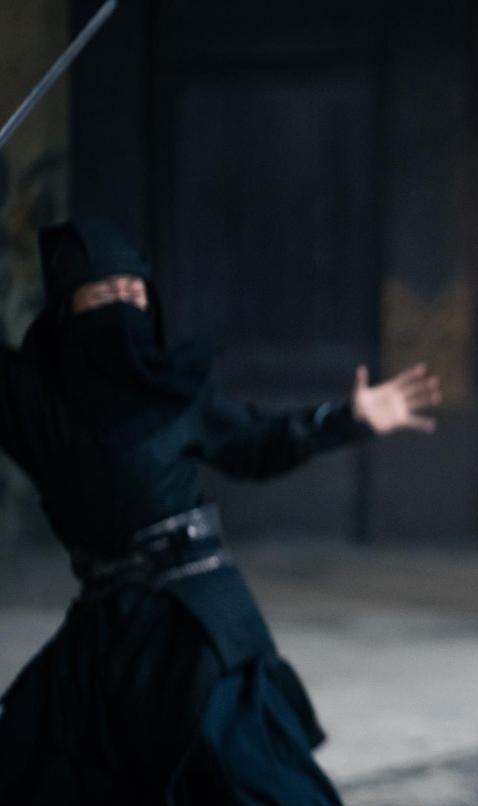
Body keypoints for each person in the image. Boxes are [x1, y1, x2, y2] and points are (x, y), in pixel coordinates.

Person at [0, 218, 443, 804]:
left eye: (135, 292)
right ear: (68, 310)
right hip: (106, 629)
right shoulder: (34, 403)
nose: (124, 303)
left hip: (195, 622)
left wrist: (346, 419)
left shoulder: (173, 391)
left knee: (250, 777)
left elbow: (258, 442)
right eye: (104, 293)